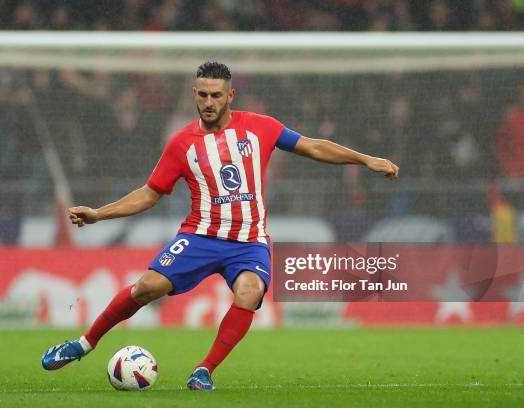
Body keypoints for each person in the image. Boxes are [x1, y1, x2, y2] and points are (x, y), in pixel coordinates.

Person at [40, 61, 399, 391]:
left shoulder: (261, 127)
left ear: (230, 95)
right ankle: (82, 344)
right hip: (199, 236)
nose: (208, 102)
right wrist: (99, 214)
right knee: (147, 287)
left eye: (215, 95)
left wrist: (366, 160)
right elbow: (150, 194)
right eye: (202, 94)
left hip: (248, 242)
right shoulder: (182, 143)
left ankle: (204, 371)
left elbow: (314, 147)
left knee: (249, 292)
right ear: (194, 94)